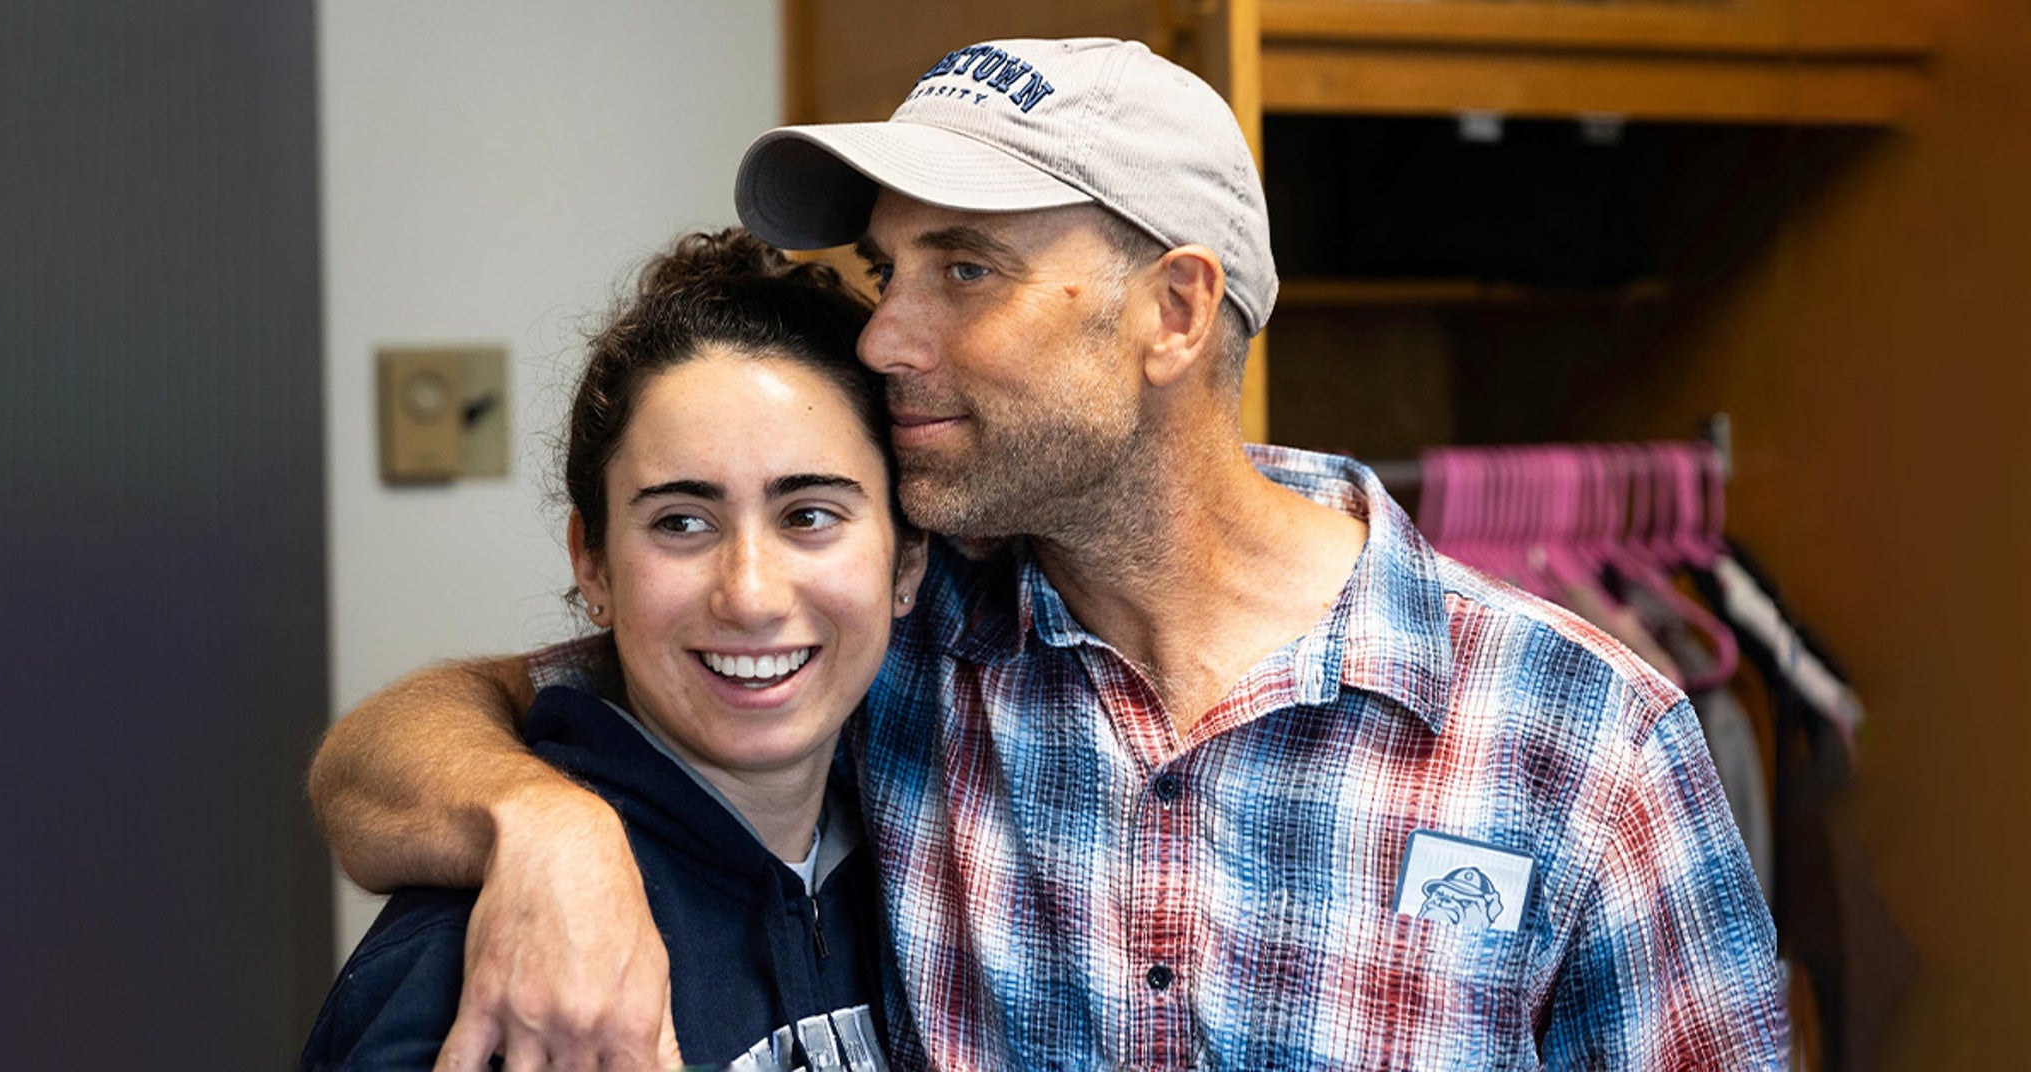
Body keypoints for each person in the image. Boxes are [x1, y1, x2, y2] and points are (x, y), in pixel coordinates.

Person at [310, 37, 1788, 1070]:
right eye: (893, 271)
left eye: (967, 268)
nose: (885, 336)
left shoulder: (1585, 745)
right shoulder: (878, 636)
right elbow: (396, 747)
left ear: (1171, 312)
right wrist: (543, 828)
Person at [302, 230, 922, 1071]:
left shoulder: (933, 875)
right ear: (591, 564)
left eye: (809, 515)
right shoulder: (491, 960)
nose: (750, 595)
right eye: (681, 522)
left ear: (907, 562)